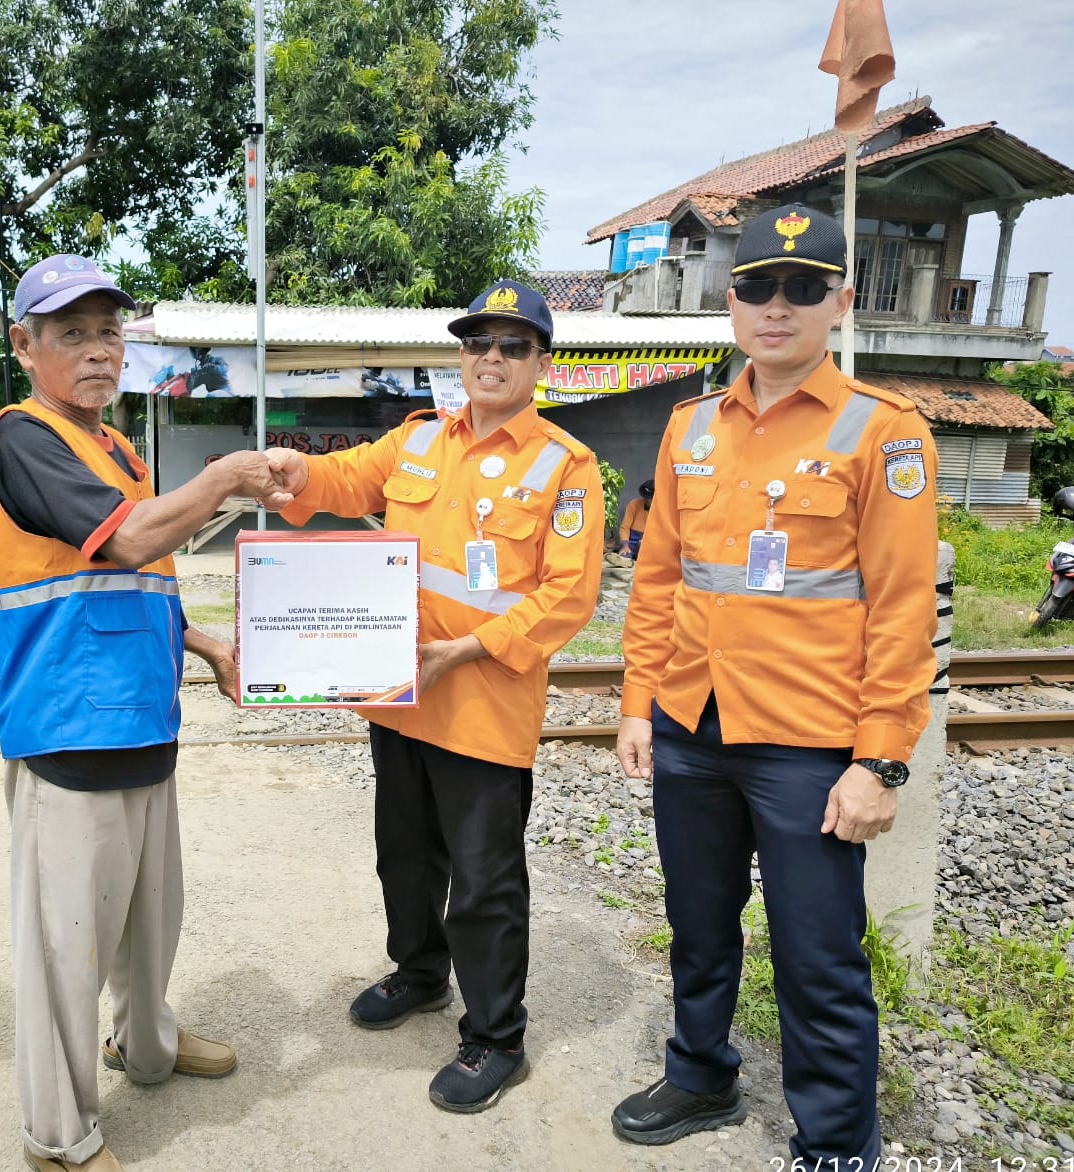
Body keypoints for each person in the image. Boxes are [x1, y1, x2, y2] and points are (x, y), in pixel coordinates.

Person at [611, 204, 938, 1164]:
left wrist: (880, 761)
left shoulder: (883, 431)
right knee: (698, 925)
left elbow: (903, 610)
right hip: (692, 727)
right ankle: (700, 1074)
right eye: (758, 287)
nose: (777, 307)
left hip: (808, 744)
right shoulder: (692, 426)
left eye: (803, 288)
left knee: (817, 950)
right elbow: (659, 578)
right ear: (731, 302)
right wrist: (638, 703)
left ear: (841, 301)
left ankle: (835, 1141)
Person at [266, 279, 603, 1113]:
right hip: (401, 696)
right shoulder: (418, 439)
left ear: (542, 362)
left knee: (485, 882)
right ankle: (419, 973)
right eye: (478, 341)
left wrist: (467, 648)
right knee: (406, 857)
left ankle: (496, 1037)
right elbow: (342, 479)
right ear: (461, 354)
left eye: (513, 345)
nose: (492, 357)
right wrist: (293, 467)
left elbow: (568, 594)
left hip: (485, 705)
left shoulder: (564, 465)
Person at [0, 254, 290, 1172]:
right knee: (67, 946)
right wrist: (223, 477)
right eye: (71, 334)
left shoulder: (116, 450)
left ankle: (146, 1044)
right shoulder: (24, 437)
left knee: (152, 919)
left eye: (108, 333)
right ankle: (57, 1136)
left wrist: (208, 645)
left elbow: (143, 578)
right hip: (71, 727)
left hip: (145, 722)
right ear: (24, 345)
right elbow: (123, 541)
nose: (96, 351)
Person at [617, 479, 654, 558]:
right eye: (645, 497)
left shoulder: (661, 511)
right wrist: (624, 544)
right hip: (631, 542)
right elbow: (624, 528)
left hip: (650, 542)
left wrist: (647, 541)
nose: (646, 500)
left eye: (649, 498)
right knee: (624, 558)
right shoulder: (633, 504)